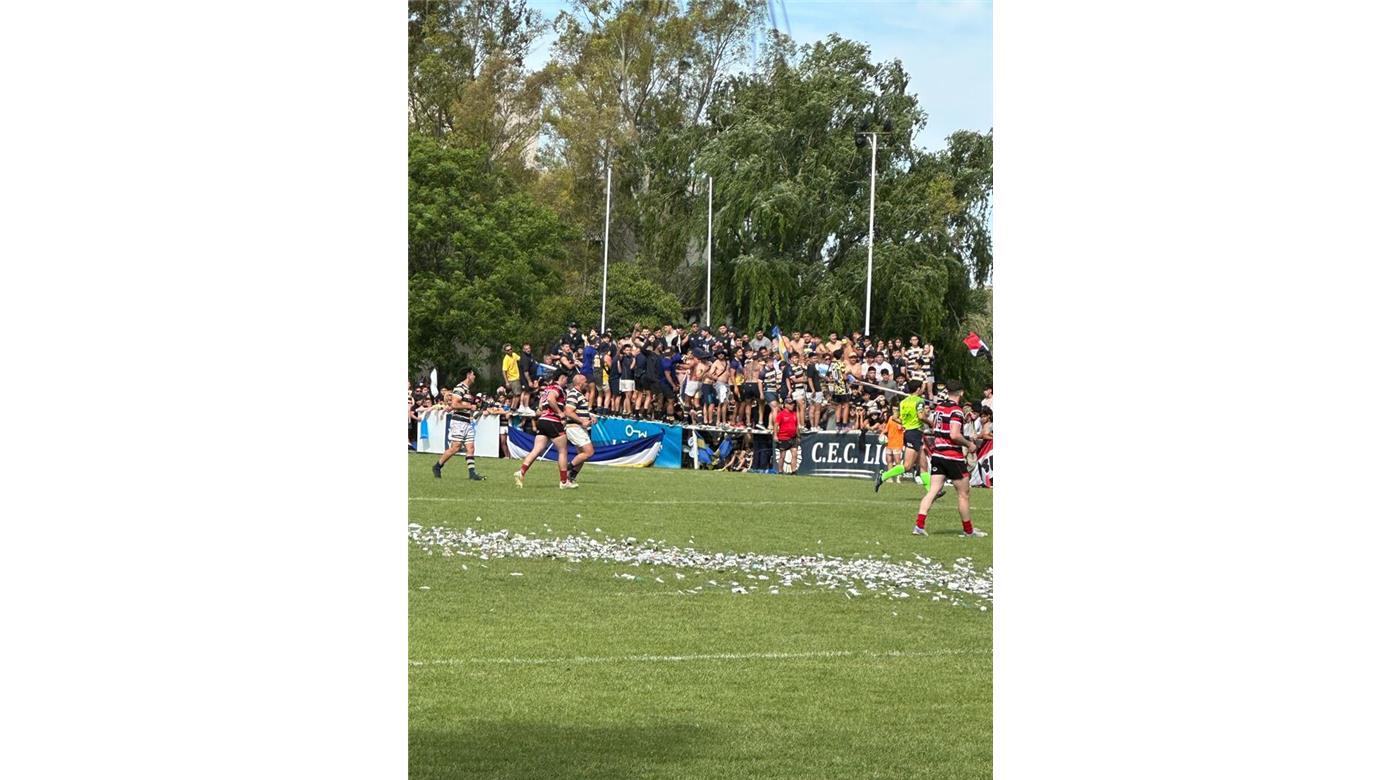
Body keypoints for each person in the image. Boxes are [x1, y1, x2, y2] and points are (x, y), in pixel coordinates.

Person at [914, 380, 985, 537]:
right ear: (961, 392)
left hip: (938, 454)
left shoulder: (939, 408)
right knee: (963, 494)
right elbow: (954, 434)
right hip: (953, 456)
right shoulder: (956, 411)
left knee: (933, 491)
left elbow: (936, 427)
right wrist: (969, 444)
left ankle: (919, 525)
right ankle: (968, 530)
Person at [513, 372, 575, 489]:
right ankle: (564, 481)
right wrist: (559, 412)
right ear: (562, 378)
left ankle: (521, 472)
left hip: (542, 421)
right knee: (563, 451)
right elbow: (551, 399)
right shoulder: (557, 388)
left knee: (536, 450)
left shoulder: (546, 389)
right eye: (566, 379)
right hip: (553, 421)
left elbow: (541, 407)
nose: (567, 382)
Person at [874, 380, 931, 492]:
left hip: (910, 433)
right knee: (907, 466)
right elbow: (921, 416)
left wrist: (905, 423)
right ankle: (883, 476)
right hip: (914, 433)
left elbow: (895, 418)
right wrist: (931, 423)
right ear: (918, 389)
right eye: (922, 387)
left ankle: (932, 492)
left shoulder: (903, 402)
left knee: (924, 465)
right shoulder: (919, 401)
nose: (923, 389)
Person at [432, 370, 485, 481]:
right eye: (473, 374)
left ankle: (472, 473)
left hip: (467, 421)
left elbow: (456, 404)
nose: (474, 377)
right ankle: (437, 466)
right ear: (468, 375)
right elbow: (455, 404)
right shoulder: (460, 388)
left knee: (470, 447)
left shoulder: (467, 389)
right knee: (455, 448)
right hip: (459, 422)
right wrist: (470, 407)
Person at [562, 373, 596, 483]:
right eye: (585, 382)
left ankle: (570, 478)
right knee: (589, 452)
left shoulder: (580, 394)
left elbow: (579, 411)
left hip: (579, 428)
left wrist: (590, 417)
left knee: (582, 455)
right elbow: (568, 411)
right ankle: (566, 469)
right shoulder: (574, 394)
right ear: (579, 383)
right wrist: (582, 421)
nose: (587, 384)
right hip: (575, 428)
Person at [774, 399, 801, 473]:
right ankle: (780, 471)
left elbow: (796, 426)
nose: (792, 405)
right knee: (782, 456)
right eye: (790, 404)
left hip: (793, 437)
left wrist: (798, 436)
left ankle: (794, 471)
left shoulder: (794, 414)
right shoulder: (781, 414)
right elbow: (776, 425)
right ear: (785, 405)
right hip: (783, 437)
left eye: (793, 404)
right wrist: (775, 435)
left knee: (795, 454)